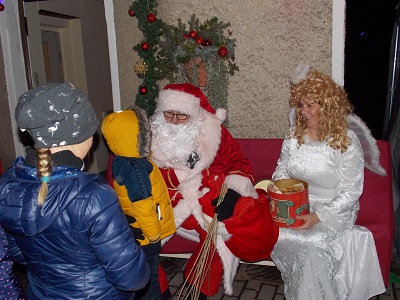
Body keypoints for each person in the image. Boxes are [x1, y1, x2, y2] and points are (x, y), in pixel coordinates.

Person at [0, 83, 149, 299]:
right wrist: (131, 248)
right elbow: (132, 278)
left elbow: (20, 255)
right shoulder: (94, 195)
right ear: (83, 135)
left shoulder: (7, 184)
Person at [149, 83, 279, 298]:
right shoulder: (151, 135)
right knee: (137, 239)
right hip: (167, 204)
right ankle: (157, 291)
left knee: (219, 234)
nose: (173, 120)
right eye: (168, 113)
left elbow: (238, 162)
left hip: (206, 201)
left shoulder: (213, 131)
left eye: (181, 116)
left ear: (194, 114)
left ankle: (194, 290)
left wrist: (234, 191)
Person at [270, 66, 386, 299]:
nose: (304, 111)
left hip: (334, 209)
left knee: (312, 243)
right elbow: (281, 169)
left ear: (328, 106)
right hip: (296, 204)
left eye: (311, 105)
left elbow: (351, 190)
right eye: (301, 105)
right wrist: (279, 189)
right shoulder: (294, 135)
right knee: (277, 234)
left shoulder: (345, 140)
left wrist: (317, 216)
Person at [101, 106, 176, 300]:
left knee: (145, 277)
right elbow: (143, 206)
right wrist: (154, 237)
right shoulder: (136, 169)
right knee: (150, 281)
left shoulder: (121, 159)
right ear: (135, 137)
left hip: (136, 230)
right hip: (146, 234)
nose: (148, 135)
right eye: (143, 133)